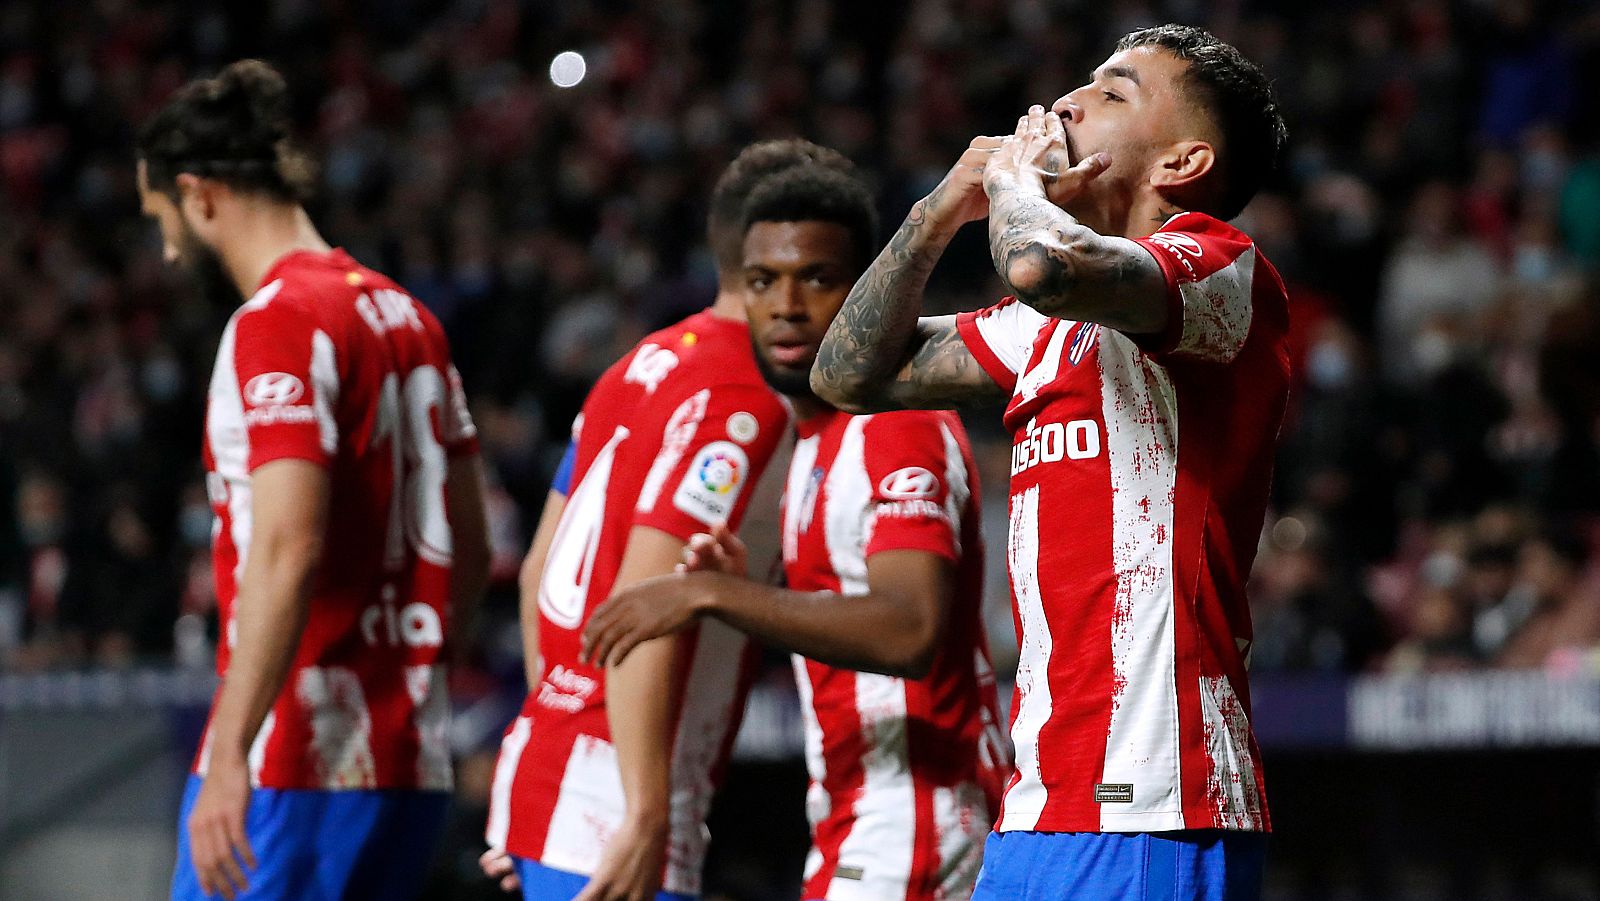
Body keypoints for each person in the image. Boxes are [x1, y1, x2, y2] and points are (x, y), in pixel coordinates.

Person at [809, 24, 1291, 901]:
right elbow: (846, 374)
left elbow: (1041, 264)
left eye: (1112, 92)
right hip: (1040, 802)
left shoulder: (1221, 268)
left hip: (1159, 799)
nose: (1068, 102)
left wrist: (1012, 184)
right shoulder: (1044, 328)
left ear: (1182, 163)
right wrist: (938, 211)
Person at [582, 162, 1012, 900]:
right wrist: (745, 588)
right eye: (763, 281)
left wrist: (714, 594)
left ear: (864, 288)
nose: (786, 306)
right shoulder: (814, 439)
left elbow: (909, 629)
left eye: (816, 279)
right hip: (858, 815)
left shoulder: (894, 425)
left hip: (916, 821)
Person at [136, 60, 491, 901]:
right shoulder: (412, 319)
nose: (168, 249)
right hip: (409, 759)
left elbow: (288, 545)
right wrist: (411, 679)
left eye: (161, 220)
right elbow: (472, 548)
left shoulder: (279, 321)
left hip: (295, 760)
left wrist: (230, 750)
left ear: (198, 194)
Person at [480, 142, 844, 901]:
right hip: (621, 803)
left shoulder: (639, 362)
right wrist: (643, 811)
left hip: (559, 770)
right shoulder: (746, 395)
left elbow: (541, 568)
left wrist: (555, 752)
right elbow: (646, 601)